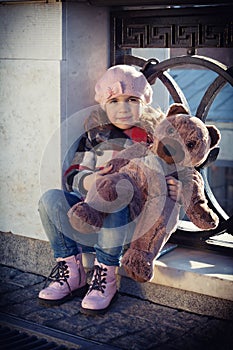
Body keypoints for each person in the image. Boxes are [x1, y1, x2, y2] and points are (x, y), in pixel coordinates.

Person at [38, 65, 181, 315]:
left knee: (119, 196)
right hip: (89, 221)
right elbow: (72, 174)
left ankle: (106, 275)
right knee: (50, 199)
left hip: (129, 227)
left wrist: (175, 188)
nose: (123, 108)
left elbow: (169, 176)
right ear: (104, 105)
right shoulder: (96, 137)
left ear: (144, 102)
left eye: (132, 100)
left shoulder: (153, 141)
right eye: (114, 100)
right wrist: (89, 181)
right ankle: (70, 270)